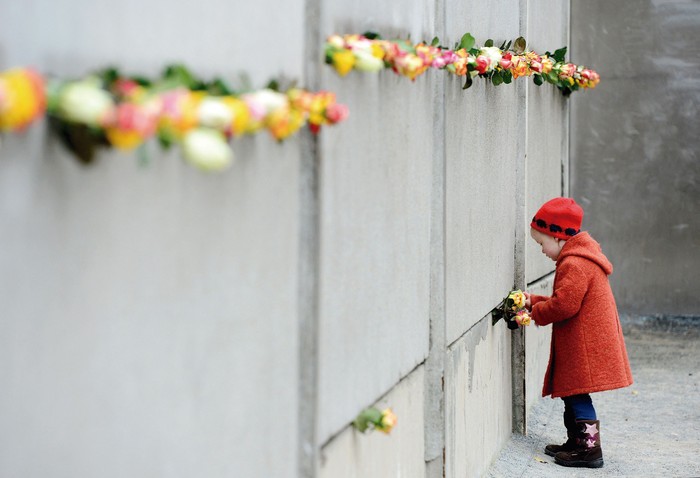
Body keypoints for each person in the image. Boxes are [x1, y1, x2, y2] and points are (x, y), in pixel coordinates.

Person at [524, 197, 633, 469]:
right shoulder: (580, 258)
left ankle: (589, 450)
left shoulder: (575, 263)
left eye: (542, 243)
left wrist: (533, 313)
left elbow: (564, 305)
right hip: (583, 342)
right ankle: (577, 442)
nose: (541, 250)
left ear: (559, 237)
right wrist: (533, 300)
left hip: (584, 346)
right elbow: (565, 298)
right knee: (571, 394)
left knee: (577, 395)